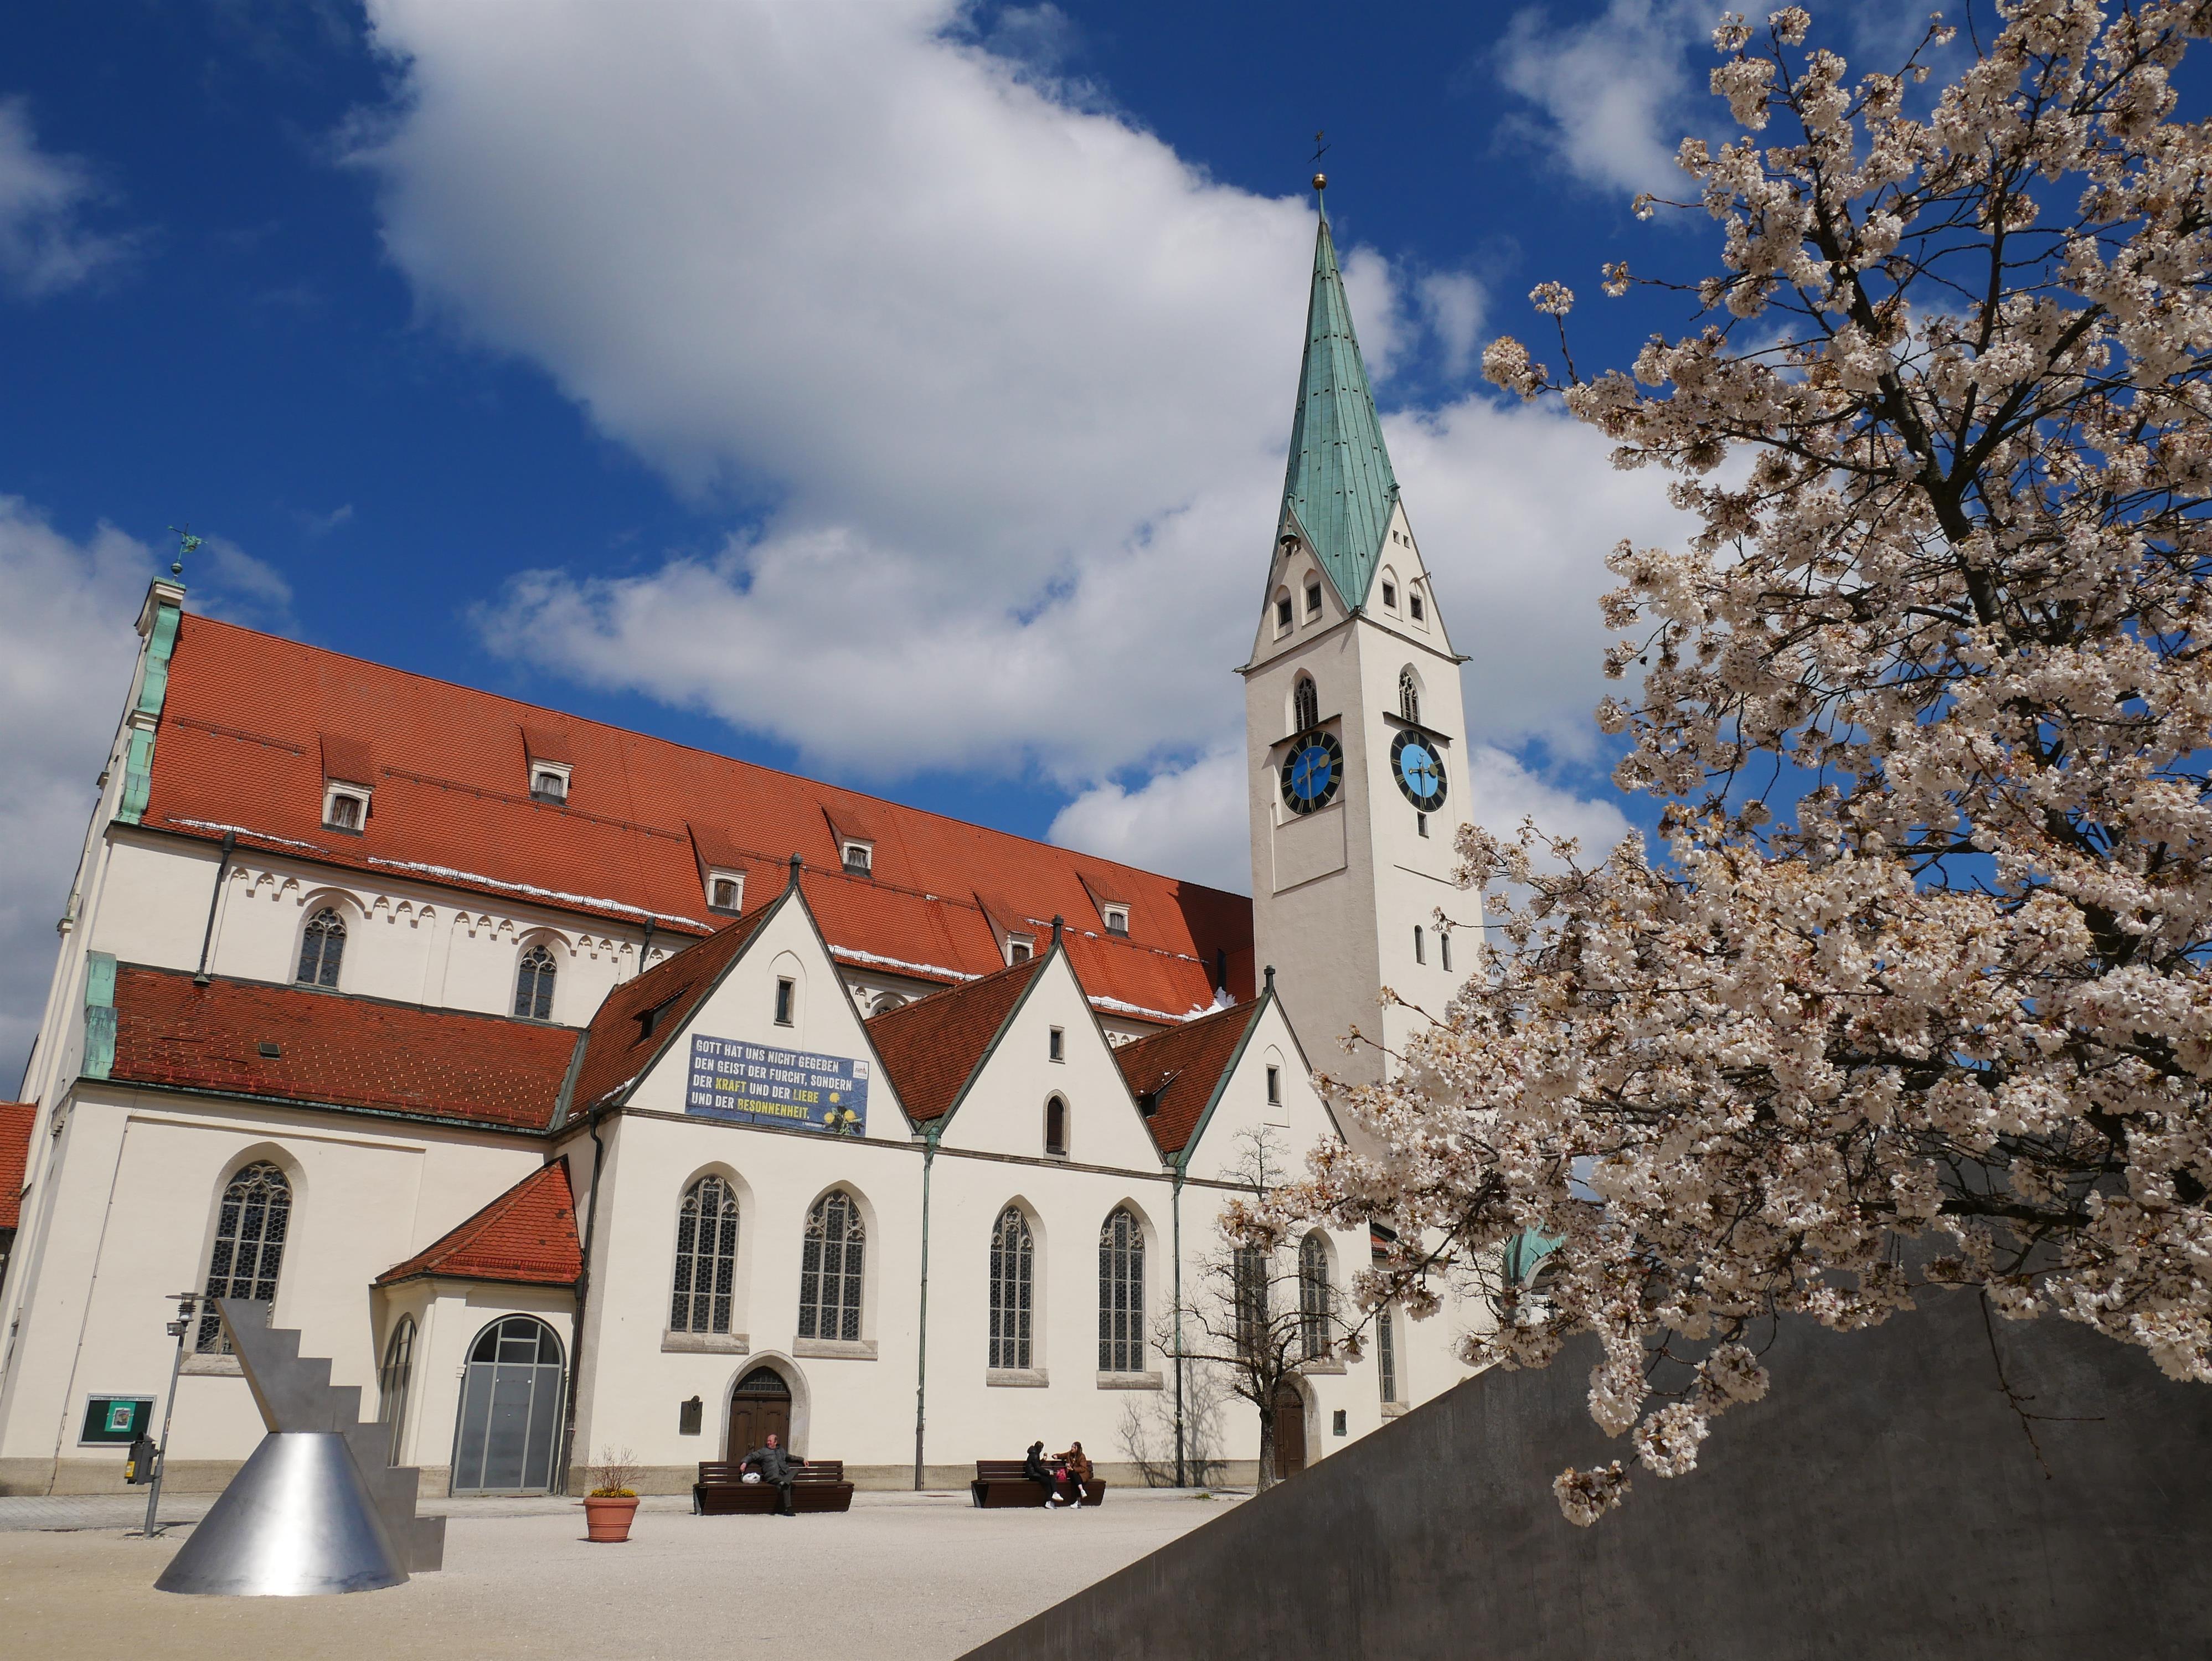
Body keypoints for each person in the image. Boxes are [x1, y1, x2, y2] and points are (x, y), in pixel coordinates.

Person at [740, 1431, 802, 1517]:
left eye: (770, 1441)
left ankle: (783, 1483)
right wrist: (744, 1463)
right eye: (768, 1441)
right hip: (773, 1476)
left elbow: (792, 1458)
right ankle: (788, 1509)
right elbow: (752, 1456)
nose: (768, 1443)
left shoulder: (782, 1451)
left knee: (796, 1471)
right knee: (787, 1484)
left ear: (776, 1442)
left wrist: (802, 1460)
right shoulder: (763, 1452)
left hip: (784, 1474)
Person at [1056, 1442, 1094, 1509]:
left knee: (1075, 1480)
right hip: (1074, 1474)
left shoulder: (1082, 1456)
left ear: (1077, 1449)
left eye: (1074, 1447)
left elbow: (1083, 1468)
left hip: (1082, 1475)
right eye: (1072, 1447)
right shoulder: (1069, 1454)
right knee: (1074, 1476)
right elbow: (1062, 1456)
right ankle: (1081, 1493)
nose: (1072, 1449)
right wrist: (1056, 1456)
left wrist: (1073, 1469)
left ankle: (1078, 1502)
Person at [1022, 1439, 1058, 1507]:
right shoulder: (1035, 1455)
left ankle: (1053, 1496)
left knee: (1049, 1478)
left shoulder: (1034, 1454)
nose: (1042, 1450)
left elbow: (1037, 1465)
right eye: (1042, 1448)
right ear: (1039, 1449)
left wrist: (1043, 1460)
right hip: (1033, 1475)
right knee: (1047, 1481)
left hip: (1034, 1474)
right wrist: (1048, 1472)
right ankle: (1050, 1500)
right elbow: (1038, 1468)